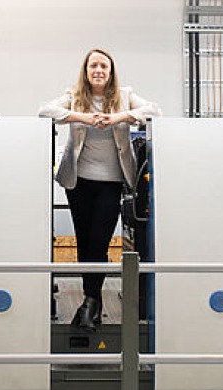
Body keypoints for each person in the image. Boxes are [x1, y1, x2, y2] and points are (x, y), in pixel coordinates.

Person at [39, 48, 160, 332]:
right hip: (78, 181)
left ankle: (90, 302)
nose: (98, 71)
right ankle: (91, 302)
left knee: (99, 241)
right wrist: (82, 118)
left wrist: (120, 118)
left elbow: (155, 111)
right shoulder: (74, 96)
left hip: (111, 181)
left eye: (104, 66)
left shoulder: (125, 95)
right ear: (86, 70)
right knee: (84, 243)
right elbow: (44, 111)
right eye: (93, 66)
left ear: (110, 72)